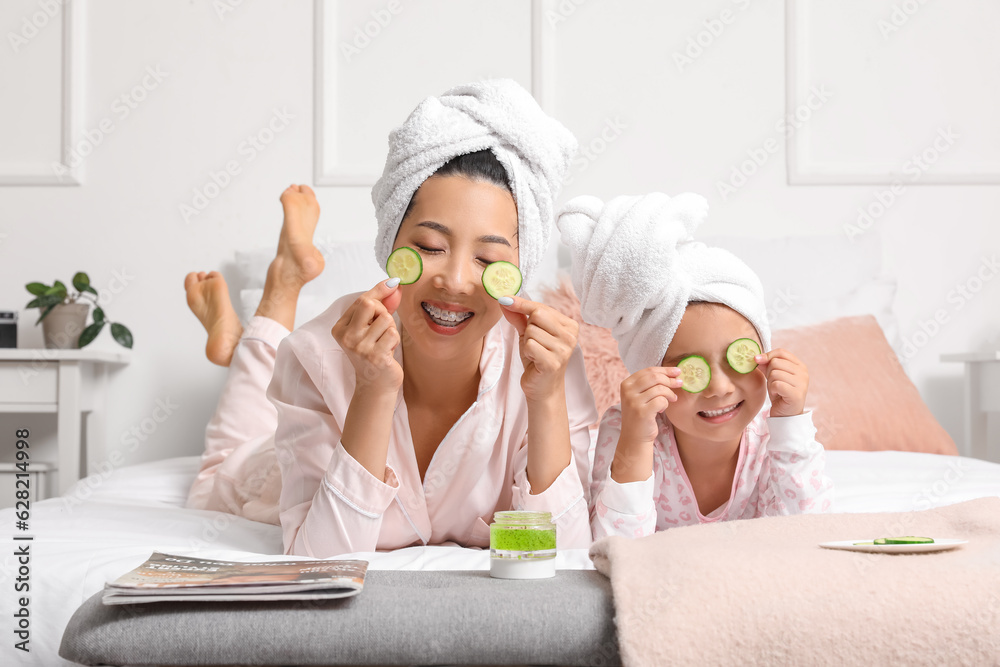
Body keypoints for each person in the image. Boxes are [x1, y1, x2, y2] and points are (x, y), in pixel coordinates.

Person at [185, 79, 598, 557]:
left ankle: (247, 325)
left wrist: (547, 400)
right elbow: (320, 562)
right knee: (216, 473)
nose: (457, 280)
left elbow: (564, 560)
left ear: (517, 272)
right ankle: (279, 291)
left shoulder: (549, 368)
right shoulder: (320, 351)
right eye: (429, 248)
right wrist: (373, 391)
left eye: (488, 259)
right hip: (272, 467)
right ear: (391, 246)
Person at [556, 192, 834, 540]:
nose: (718, 387)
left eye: (739, 358)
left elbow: (804, 536)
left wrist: (791, 425)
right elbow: (616, 547)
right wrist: (636, 442)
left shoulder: (775, 435)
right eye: (689, 370)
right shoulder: (629, 429)